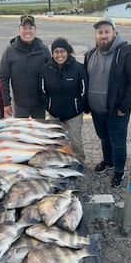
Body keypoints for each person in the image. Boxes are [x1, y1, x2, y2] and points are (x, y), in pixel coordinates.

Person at [84, 18, 131, 187]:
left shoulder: (125, 52)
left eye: (106, 32)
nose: (103, 36)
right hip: (97, 110)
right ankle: (108, 161)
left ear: (114, 33)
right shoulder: (90, 54)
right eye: (100, 32)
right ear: (96, 35)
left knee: (118, 141)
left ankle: (118, 170)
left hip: (117, 110)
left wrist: (124, 107)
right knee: (104, 138)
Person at [40, 37, 88, 166]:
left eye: (62, 51)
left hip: (74, 114)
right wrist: (49, 106)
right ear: (52, 53)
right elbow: (43, 90)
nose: (59, 55)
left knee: (76, 141)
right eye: (56, 52)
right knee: (56, 141)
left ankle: (79, 163)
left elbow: (84, 91)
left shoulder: (78, 68)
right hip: (54, 113)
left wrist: (78, 107)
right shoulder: (46, 69)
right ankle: (59, 163)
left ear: (68, 52)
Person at [0, 14, 51, 119]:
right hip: (20, 105)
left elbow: (51, 75)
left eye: (30, 28)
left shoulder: (44, 50)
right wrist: (6, 103)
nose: (28, 31)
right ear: (19, 30)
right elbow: (3, 78)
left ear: (35, 30)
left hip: (39, 104)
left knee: (38, 133)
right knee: (21, 134)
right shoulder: (10, 51)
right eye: (24, 28)